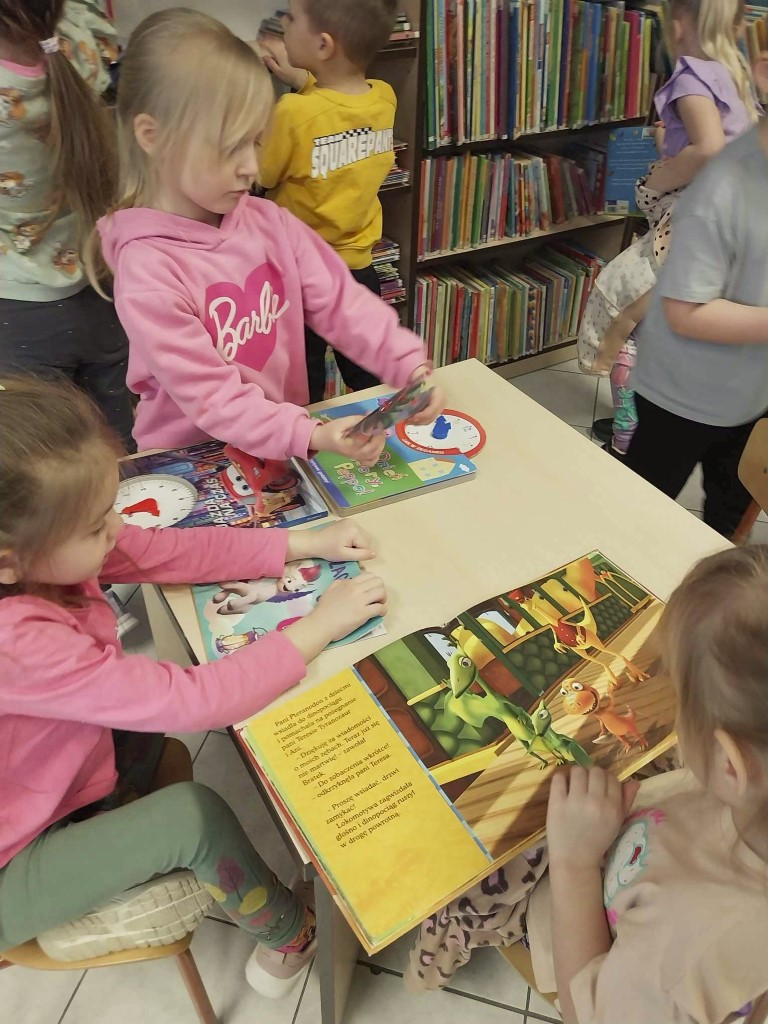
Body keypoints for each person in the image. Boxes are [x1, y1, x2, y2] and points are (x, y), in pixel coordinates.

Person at [0, 376, 387, 997]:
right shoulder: (17, 643)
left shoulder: (41, 546)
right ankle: (292, 934)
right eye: (96, 527)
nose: (115, 530)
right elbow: (195, 700)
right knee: (193, 816)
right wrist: (321, 624)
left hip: (48, 781)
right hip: (10, 866)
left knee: (158, 743)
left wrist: (301, 541)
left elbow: (161, 551)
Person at [406, 545, 768, 1023]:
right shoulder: (749, 794)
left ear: (731, 763)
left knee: (465, 888)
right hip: (639, 832)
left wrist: (574, 863)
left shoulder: (685, 957)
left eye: (681, 698)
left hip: (580, 917)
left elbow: (588, 1014)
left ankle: (428, 967)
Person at [90, 9, 443, 466]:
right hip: (195, 461)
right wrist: (307, 433)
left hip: (276, 444)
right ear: (152, 136)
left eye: (255, 142)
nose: (252, 168)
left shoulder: (269, 221)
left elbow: (342, 303)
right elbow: (214, 398)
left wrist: (408, 363)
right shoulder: (148, 269)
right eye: (229, 146)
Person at [577, 0, 758, 458]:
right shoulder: (737, 74)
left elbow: (709, 148)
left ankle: (627, 436)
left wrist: (660, 176)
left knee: (622, 303)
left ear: (676, 24)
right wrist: (671, 142)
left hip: (696, 217)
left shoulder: (690, 77)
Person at [622, 52, 768, 539]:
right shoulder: (723, 188)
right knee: (637, 513)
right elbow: (689, 312)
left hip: (753, 388)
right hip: (684, 395)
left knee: (729, 520)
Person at [0, 0, 134, 449]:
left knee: (47, 460)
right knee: (122, 446)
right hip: (102, 287)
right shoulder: (75, 44)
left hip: (20, 310)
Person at [256, 0, 398, 403]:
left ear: (323, 45)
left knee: (304, 376)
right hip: (359, 267)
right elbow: (335, 116)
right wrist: (305, 81)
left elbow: (263, 174)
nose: (282, 24)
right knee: (367, 368)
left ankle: (311, 436)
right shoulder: (384, 98)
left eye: (290, 18)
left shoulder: (292, 112)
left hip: (302, 274)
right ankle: (384, 429)